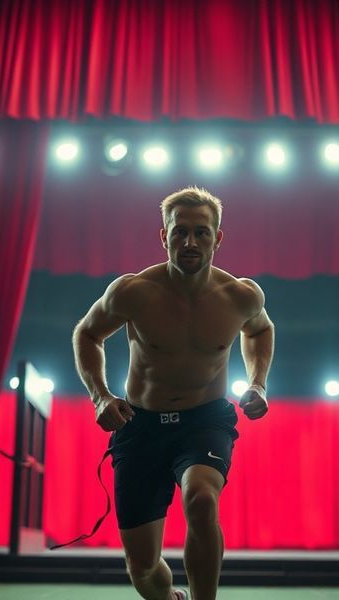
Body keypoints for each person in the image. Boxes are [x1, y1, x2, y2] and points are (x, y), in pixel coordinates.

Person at [72, 186, 275, 600]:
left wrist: (258, 383)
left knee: (201, 501)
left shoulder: (241, 295)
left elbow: (261, 329)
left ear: (218, 238)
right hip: (140, 426)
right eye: (180, 232)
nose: (190, 242)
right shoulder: (132, 291)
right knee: (144, 569)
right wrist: (100, 396)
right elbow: (87, 333)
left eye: (201, 233)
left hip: (205, 421)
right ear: (163, 236)